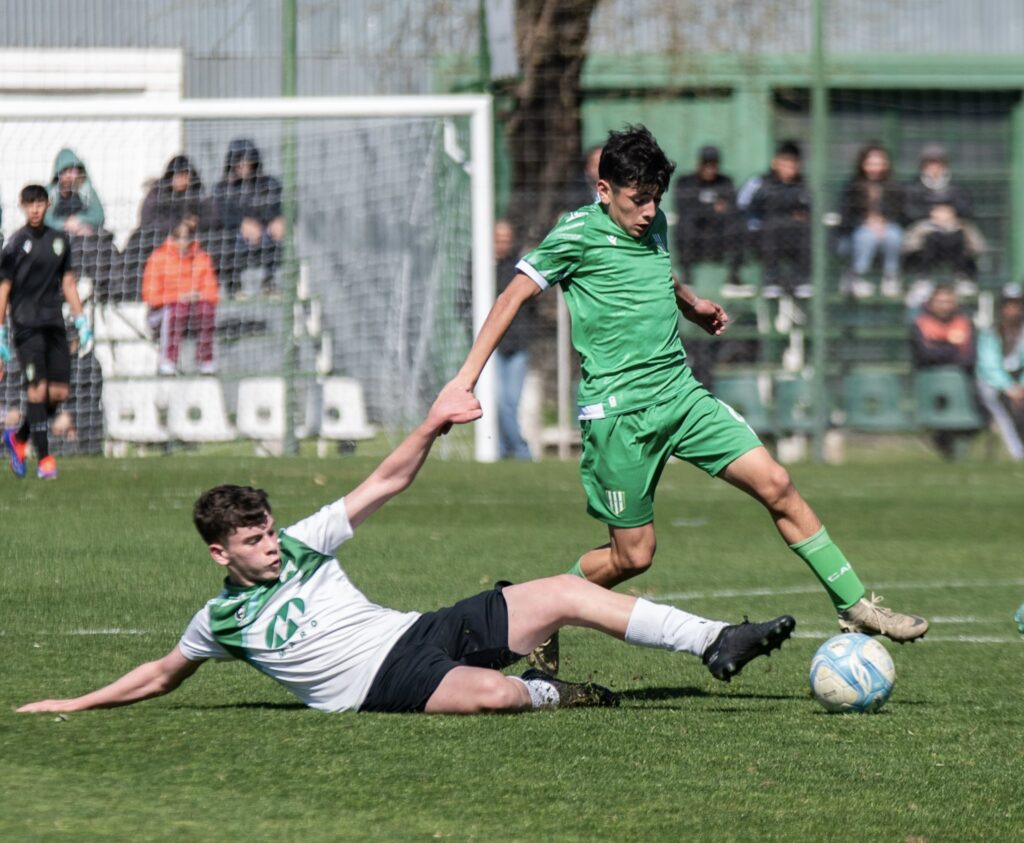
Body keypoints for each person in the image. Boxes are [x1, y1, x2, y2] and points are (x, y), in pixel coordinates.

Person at [441, 125, 927, 674]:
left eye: (655, 198)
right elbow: (512, 295)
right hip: (620, 416)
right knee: (633, 556)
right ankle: (538, 608)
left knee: (777, 483)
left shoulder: (655, 223)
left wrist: (691, 304)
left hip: (681, 394)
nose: (649, 211)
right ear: (604, 191)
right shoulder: (574, 234)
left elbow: (658, 271)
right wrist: (465, 380)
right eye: (637, 199)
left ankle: (854, 605)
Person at [15, 388, 796, 716]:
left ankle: (715, 639)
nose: (271, 546)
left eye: (269, 530)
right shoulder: (218, 623)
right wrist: (75, 703)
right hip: (385, 683)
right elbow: (161, 673)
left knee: (564, 590)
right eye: (253, 541)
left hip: (417, 629)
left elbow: (385, 481)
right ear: (221, 554)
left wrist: (431, 423)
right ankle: (557, 691)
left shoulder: (303, 542)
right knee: (495, 698)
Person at [0, 184, 93, 480]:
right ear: (22, 206)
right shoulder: (15, 244)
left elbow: (68, 282)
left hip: (54, 323)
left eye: (40, 203)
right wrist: (0, 331)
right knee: (37, 389)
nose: (35, 209)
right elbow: (4, 289)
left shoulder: (59, 239)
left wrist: (81, 320)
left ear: (48, 204)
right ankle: (45, 459)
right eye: (30, 204)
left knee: (59, 392)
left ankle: (19, 438)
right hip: (26, 327)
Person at [121, 155, 218, 301]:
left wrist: (195, 223)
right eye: (177, 176)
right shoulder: (157, 194)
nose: (181, 180)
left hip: (192, 245)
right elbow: (147, 220)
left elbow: (213, 217)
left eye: (184, 176)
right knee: (141, 239)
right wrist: (177, 225)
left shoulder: (199, 194)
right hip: (162, 242)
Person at [902, 144, 985, 295]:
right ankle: (923, 278)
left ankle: (963, 277)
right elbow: (909, 211)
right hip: (925, 227)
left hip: (952, 226)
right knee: (929, 237)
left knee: (960, 235)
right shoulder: (913, 187)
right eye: (930, 163)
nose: (934, 168)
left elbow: (967, 209)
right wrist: (932, 213)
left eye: (938, 163)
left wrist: (951, 212)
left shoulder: (956, 188)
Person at [142, 218, 220, 375]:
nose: (182, 242)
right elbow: (150, 296)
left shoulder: (201, 258)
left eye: (187, 237)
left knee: (206, 309)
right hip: (162, 313)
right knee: (178, 309)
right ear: (171, 237)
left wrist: (198, 296)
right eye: (178, 237)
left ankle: (206, 361)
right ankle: (168, 362)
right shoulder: (158, 258)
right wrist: (179, 297)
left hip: (193, 310)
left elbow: (212, 292)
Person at [210, 138, 285, 298]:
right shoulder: (222, 188)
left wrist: (276, 219)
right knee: (227, 240)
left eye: (247, 160)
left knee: (277, 236)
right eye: (239, 160)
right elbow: (219, 216)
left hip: (263, 235)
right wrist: (241, 223)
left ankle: (269, 283)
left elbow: (277, 207)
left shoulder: (269, 184)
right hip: (234, 238)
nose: (243, 165)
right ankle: (234, 286)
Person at [910, 284, 979, 458]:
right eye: (940, 301)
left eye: (948, 301)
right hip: (930, 383)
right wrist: (953, 349)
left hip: (962, 381)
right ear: (931, 303)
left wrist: (939, 347)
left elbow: (969, 357)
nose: (944, 306)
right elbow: (924, 355)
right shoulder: (921, 324)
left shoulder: (964, 323)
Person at [673, 145, 745, 295]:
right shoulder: (686, 182)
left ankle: (734, 278)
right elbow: (683, 208)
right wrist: (713, 208)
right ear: (699, 164)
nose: (710, 169)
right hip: (695, 236)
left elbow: (732, 208)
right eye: (706, 164)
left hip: (719, 236)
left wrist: (701, 208)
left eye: (713, 164)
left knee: (737, 224)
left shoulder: (725, 182)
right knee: (685, 224)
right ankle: (687, 278)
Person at [838, 143, 904, 300]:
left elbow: (900, 212)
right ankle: (858, 277)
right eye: (871, 164)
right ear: (863, 164)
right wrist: (865, 221)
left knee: (894, 235)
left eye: (879, 164)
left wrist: (884, 221)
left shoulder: (893, 186)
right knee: (866, 236)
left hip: (886, 227)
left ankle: (890, 277)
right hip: (858, 229)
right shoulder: (852, 186)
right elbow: (846, 215)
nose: (875, 168)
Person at [492, 219, 535, 460]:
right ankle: (517, 450)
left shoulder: (519, 268)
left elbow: (532, 306)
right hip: (493, 348)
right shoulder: (478, 267)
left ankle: (511, 449)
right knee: (499, 402)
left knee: (510, 402)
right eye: (498, 239)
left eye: (506, 239)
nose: (502, 244)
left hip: (518, 346)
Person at [747, 140, 812, 299]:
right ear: (775, 163)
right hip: (765, 234)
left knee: (805, 230)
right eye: (785, 164)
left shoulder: (803, 185)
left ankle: (802, 281)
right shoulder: (761, 183)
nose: (789, 169)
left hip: (794, 234)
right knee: (772, 227)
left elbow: (809, 210)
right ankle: (771, 280)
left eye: (793, 164)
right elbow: (747, 207)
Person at [976, 283, 1024, 461]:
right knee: (997, 404)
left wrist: (1021, 387)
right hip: (998, 385)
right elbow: (989, 366)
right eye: (1008, 304)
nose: (1012, 310)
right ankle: (1017, 452)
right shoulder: (990, 333)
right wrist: (1009, 388)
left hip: (1018, 382)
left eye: (1017, 304)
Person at [45, 147, 105, 236]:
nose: (69, 176)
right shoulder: (50, 192)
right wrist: (65, 224)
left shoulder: (86, 190)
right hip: (57, 235)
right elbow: (45, 219)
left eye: (73, 171)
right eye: (65, 171)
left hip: (84, 234)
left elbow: (99, 216)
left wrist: (79, 220)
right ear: (58, 173)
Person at [562, 144, 602, 212]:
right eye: (596, 165)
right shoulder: (576, 190)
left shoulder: (617, 188)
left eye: (604, 165)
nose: (601, 169)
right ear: (587, 167)